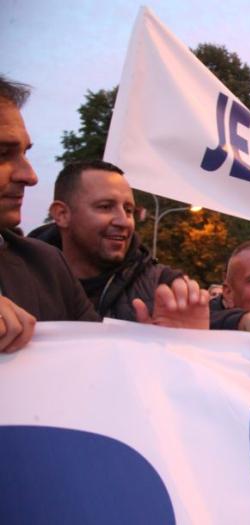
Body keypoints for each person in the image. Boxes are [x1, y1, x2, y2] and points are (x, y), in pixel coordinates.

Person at [0, 76, 207, 353]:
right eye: (2, 153)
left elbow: (96, 365)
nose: (30, 175)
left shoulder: (46, 265)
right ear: (61, 215)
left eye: (129, 209)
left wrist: (173, 351)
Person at [31, 160, 184, 321]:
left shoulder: (165, 286)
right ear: (62, 214)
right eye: (105, 207)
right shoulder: (14, 278)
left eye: (129, 210)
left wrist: (188, 339)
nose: (124, 221)